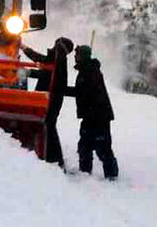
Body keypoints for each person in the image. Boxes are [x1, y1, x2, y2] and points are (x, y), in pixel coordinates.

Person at [21, 36, 74, 168]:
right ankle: (54, 158)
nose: (54, 47)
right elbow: (44, 72)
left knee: (49, 127)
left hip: (49, 100)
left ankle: (54, 160)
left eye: (58, 45)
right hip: (50, 100)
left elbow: (39, 60)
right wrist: (28, 72)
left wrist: (24, 48)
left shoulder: (58, 60)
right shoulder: (57, 61)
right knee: (49, 127)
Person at [71, 45, 119, 180]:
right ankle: (85, 172)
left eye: (77, 54)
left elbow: (89, 93)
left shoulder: (90, 71)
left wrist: (92, 113)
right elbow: (81, 91)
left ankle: (111, 175)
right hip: (92, 115)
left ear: (83, 56)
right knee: (85, 145)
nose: (75, 57)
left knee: (102, 146)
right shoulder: (87, 70)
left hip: (98, 116)